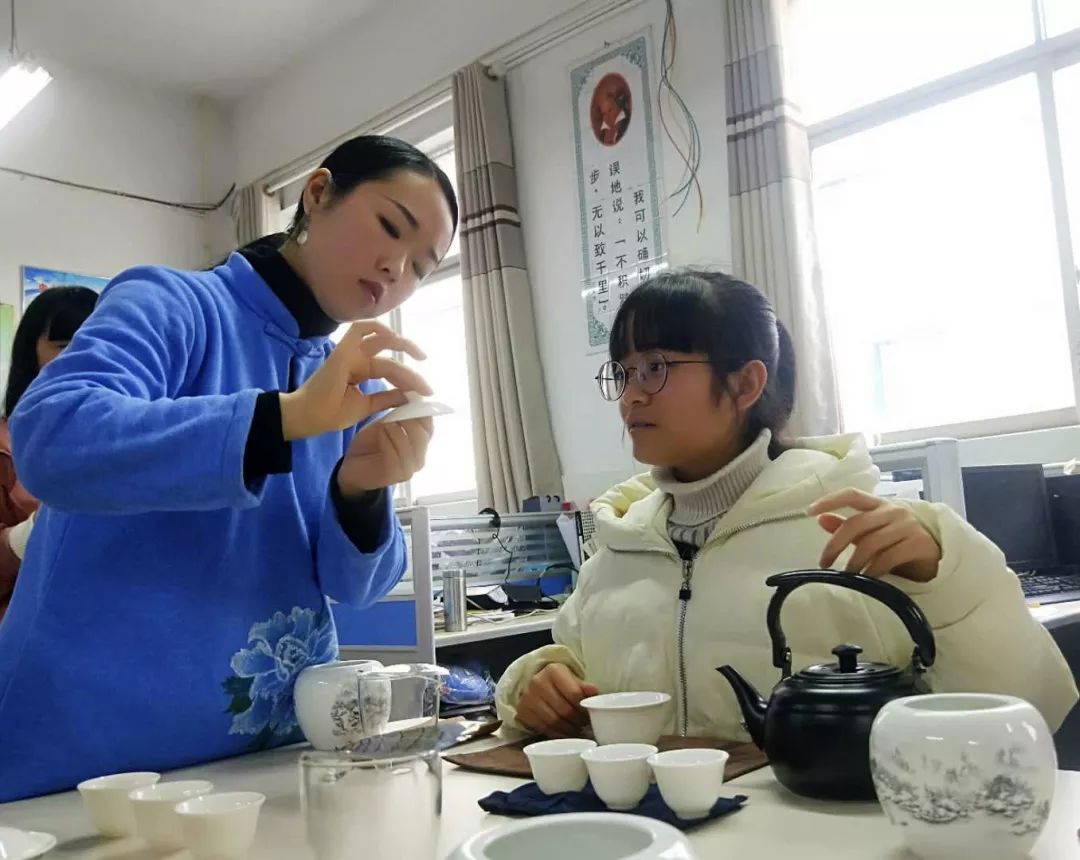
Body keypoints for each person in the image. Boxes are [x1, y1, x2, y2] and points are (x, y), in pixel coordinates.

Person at [0, 135, 457, 801]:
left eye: (422, 266)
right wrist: (285, 418)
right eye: (391, 227)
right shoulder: (174, 304)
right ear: (319, 193)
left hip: (270, 768)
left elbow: (354, 586)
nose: (397, 270)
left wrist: (361, 491)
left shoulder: (341, 380)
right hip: (90, 766)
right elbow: (51, 436)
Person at [496, 270, 1078, 740]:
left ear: (746, 385)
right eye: (623, 372)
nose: (632, 394)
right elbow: (569, 661)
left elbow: (1027, 708)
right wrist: (540, 686)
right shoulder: (620, 542)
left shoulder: (860, 527)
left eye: (657, 367)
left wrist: (942, 584)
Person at [0, 286, 98, 621]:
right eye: (64, 345)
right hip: (26, 631)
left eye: (96, 342)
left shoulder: (131, 436)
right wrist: (30, 533)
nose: (85, 356)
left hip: (105, 627)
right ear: (32, 351)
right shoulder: (5, 447)